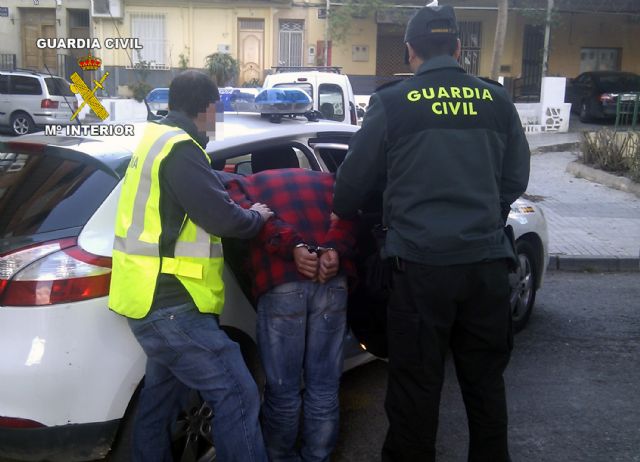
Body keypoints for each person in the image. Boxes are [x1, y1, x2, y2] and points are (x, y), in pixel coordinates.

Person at [332, 4, 530, 462]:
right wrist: (483, 212)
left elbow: (349, 189)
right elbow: (515, 178)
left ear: (409, 51)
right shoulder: (497, 100)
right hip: (485, 266)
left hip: (420, 271)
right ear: (460, 47)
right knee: (485, 387)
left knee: (415, 391)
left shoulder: (392, 102)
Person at [108, 70, 272, 462]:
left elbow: (182, 187)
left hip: (147, 299)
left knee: (160, 400)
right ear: (208, 106)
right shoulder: (182, 149)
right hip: (173, 307)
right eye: (217, 107)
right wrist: (258, 216)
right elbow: (224, 220)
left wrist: (217, 178)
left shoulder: (154, 139)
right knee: (236, 392)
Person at [222, 155, 357, 462]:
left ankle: (280, 457)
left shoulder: (244, 184)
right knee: (324, 385)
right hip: (332, 283)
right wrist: (332, 250)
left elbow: (251, 221)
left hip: (281, 285)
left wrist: (294, 247)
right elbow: (349, 215)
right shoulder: (327, 180)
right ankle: (317, 456)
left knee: (283, 389)